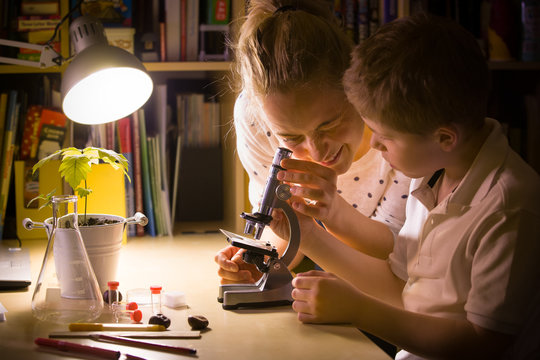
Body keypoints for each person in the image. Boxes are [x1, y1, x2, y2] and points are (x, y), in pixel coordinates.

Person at [290, 13, 540, 359]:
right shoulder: (433, 172)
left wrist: (359, 310)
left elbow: (484, 341)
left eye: (386, 136)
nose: (374, 144)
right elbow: (402, 286)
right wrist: (306, 233)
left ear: (444, 137)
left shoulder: (509, 207)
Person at [215, 0, 410, 287]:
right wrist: (263, 262)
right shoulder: (254, 116)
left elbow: (402, 252)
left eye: (329, 125)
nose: (317, 152)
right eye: (291, 138)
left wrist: (333, 214)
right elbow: (282, 224)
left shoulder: (400, 125)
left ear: (355, 90)